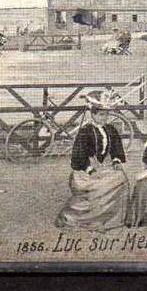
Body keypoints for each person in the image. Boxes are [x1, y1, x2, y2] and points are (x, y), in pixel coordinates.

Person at [54, 90, 129, 231]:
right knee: (100, 186)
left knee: (121, 179)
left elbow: (116, 148)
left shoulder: (110, 129)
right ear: (93, 114)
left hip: (103, 167)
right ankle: (80, 218)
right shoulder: (85, 131)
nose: (104, 118)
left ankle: (111, 218)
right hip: (84, 170)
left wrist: (116, 161)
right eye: (101, 115)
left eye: (106, 114)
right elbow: (78, 155)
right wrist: (89, 169)